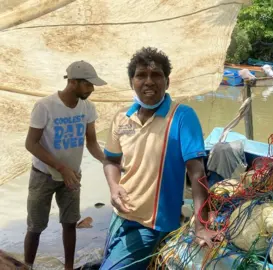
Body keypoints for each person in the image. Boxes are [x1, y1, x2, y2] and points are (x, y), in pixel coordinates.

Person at [100, 47, 217, 269]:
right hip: (120, 216)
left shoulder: (182, 116)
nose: (149, 81)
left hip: (152, 223)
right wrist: (114, 187)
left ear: (167, 81)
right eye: (141, 75)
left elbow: (197, 172)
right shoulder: (121, 119)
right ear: (131, 81)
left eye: (156, 75)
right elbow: (111, 161)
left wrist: (201, 226)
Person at [24, 61, 107, 270]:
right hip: (43, 175)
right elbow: (31, 144)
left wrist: (108, 161)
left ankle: (68, 267)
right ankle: (25, 266)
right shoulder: (45, 106)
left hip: (72, 176)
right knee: (35, 227)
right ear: (72, 82)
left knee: (70, 223)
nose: (92, 89)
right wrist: (61, 168)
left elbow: (92, 143)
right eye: (88, 84)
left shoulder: (88, 107)